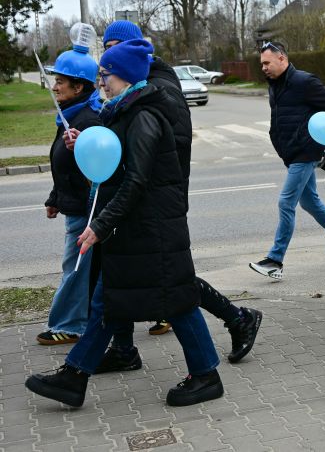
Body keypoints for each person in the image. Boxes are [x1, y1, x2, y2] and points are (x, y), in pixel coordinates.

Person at [26, 39, 224, 408]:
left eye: (107, 74)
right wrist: (84, 144)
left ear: (126, 76)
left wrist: (100, 225)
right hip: (136, 227)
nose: (101, 81)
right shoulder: (123, 110)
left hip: (152, 228)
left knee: (177, 300)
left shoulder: (144, 115)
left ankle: (206, 375)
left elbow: (136, 180)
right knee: (109, 299)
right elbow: (117, 163)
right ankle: (75, 376)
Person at [68, 21, 262, 371]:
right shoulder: (133, 88)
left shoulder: (157, 89)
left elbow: (163, 150)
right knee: (128, 276)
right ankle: (123, 349)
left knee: (170, 280)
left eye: (114, 48)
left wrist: (156, 192)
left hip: (156, 202)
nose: (108, 58)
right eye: (106, 49)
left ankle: (235, 321)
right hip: (138, 200)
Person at [249, 41, 325, 280]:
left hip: (305, 153)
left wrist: (322, 142)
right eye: (261, 64)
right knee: (310, 202)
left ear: (282, 58)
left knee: (286, 203)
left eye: (267, 63)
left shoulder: (304, 82)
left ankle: (275, 260)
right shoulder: (275, 85)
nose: (263, 67)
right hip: (291, 154)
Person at [36, 45, 102, 345]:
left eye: (60, 82)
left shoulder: (88, 120)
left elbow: (94, 171)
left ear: (78, 87)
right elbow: (64, 165)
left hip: (85, 210)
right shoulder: (71, 114)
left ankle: (71, 325)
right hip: (73, 204)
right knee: (90, 268)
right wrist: (54, 198)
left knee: (74, 268)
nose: (54, 87)